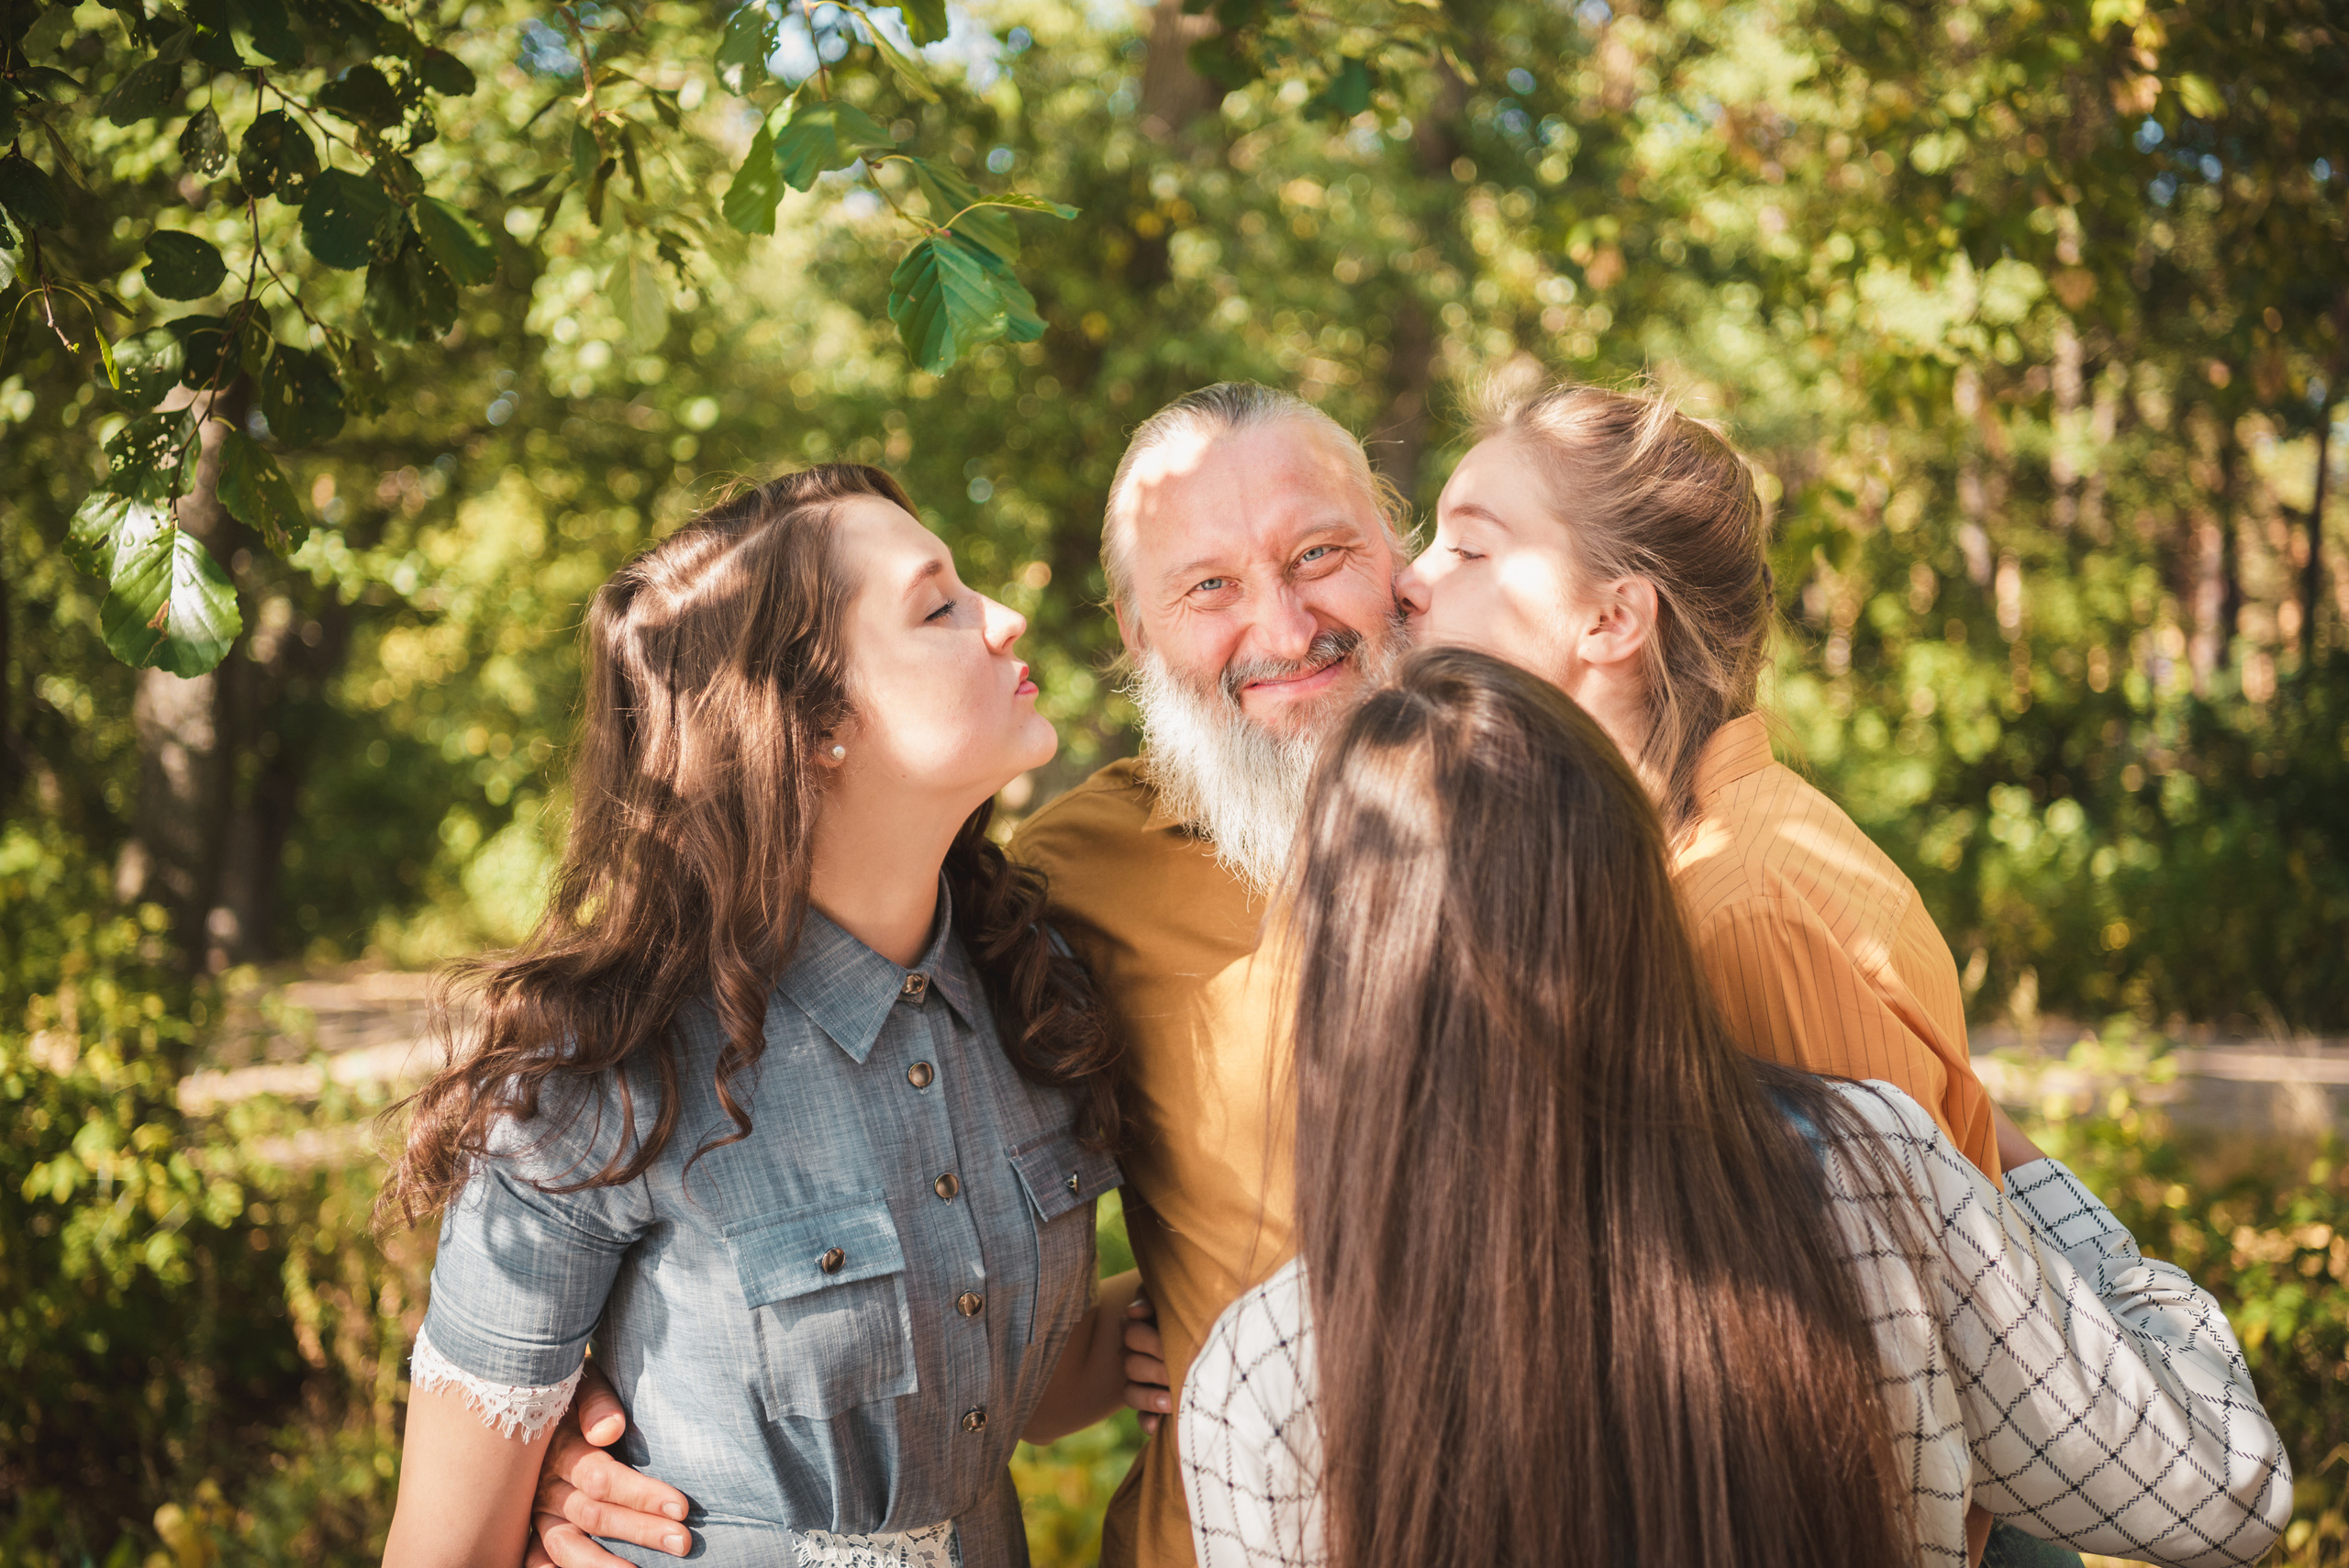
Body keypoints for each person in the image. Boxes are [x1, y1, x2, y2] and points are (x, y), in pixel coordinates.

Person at [513, 384, 1410, 1568]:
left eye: (1320, 552)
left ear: (1404, 553)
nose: (1287, 625)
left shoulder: (1581, 822)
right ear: (1135, 637)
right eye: (1209, 586)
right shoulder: (1060, 892)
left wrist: (1127, 1324)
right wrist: (575, 1428)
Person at [1183, 646, 2292, 1568]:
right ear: (1634, 896)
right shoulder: (1875, 1172)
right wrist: (2023, 1169)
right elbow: (2224, 1492)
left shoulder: (1266, 1378)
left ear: (1338, 966)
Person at [378, 464, 1138, 1567]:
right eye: (940, 606)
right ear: (814, 723)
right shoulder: (603, 1068)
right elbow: (441, 1550)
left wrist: (1236, 1304)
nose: (1006, 616)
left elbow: (1023, 1378)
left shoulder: (1033, 983)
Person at [1397, 380, 2045, 1562]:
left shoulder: (1737, 911)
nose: (1409, 575)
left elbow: (1884, 1373)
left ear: (1612, 619)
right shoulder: (1664, 860)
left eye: (1468, 544)